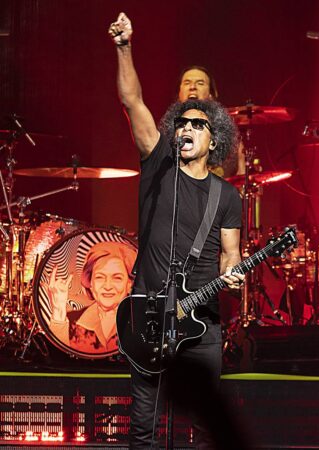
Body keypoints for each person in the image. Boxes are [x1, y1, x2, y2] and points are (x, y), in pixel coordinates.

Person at [109, 12, 246, 449]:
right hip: (148, 315)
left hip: (200, 322)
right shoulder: (158, 164)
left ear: (214, 138)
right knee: (143, 426)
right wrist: (124, 47)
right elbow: (133, 101)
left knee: (208, 427)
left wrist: (235, 272)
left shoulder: (226, 196)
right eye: (182, 122)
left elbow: (230, 255)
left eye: (197, 124)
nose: (186, 128)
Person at [48, 241, 137, 354]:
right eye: (100, 277)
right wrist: (58, 310)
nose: (108, 286)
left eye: (117, 278)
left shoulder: (143, 323)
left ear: (129, 284)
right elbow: (57, 360)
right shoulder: (71, 322)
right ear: (90, 283)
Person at [177, 65, 246, 177]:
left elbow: (241, 179)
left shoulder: (228, 138)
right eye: (187, 83)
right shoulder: (166, 134)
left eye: (200, 83)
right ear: (179, 94)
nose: (192, 87)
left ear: (211, 95)